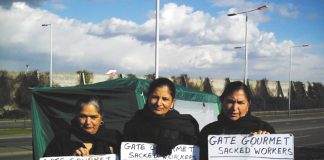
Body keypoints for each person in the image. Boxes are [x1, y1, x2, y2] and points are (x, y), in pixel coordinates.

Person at [123, 77, 199, 156]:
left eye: (165, 99)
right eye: (155, 97)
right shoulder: (134, 124)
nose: (159, 103)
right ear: (148, 97)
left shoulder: (187, 126)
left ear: (172, 102)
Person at [199, 81, 275, 160]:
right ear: (222, 101)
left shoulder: (264, 128)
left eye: (240, 102)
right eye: (230, 102)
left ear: (248, 104)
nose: (234, 108)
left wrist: (268, 143)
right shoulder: (208, 131)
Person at [43, 96, 121, 157]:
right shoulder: (62, 140)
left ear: (101, 117)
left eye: (93, 117)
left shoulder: (115, 138)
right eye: (83, 116)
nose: (88, 122)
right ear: (76, 116)